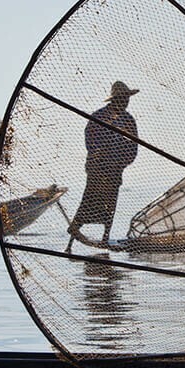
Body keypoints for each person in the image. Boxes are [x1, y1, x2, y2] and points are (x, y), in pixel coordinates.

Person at [66, 81, 140, 251]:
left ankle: (105, 238)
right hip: (98, 169)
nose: (126, 102)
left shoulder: (128, 120)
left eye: (127, 99)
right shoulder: (98, 117)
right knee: (89, 200)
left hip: (115, 169)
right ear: (115, 100)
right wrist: (100, 155)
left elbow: (133, 146)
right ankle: (71, 239)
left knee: (110, 204)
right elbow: (90, 141)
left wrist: (123, 162)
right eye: (123, 99)